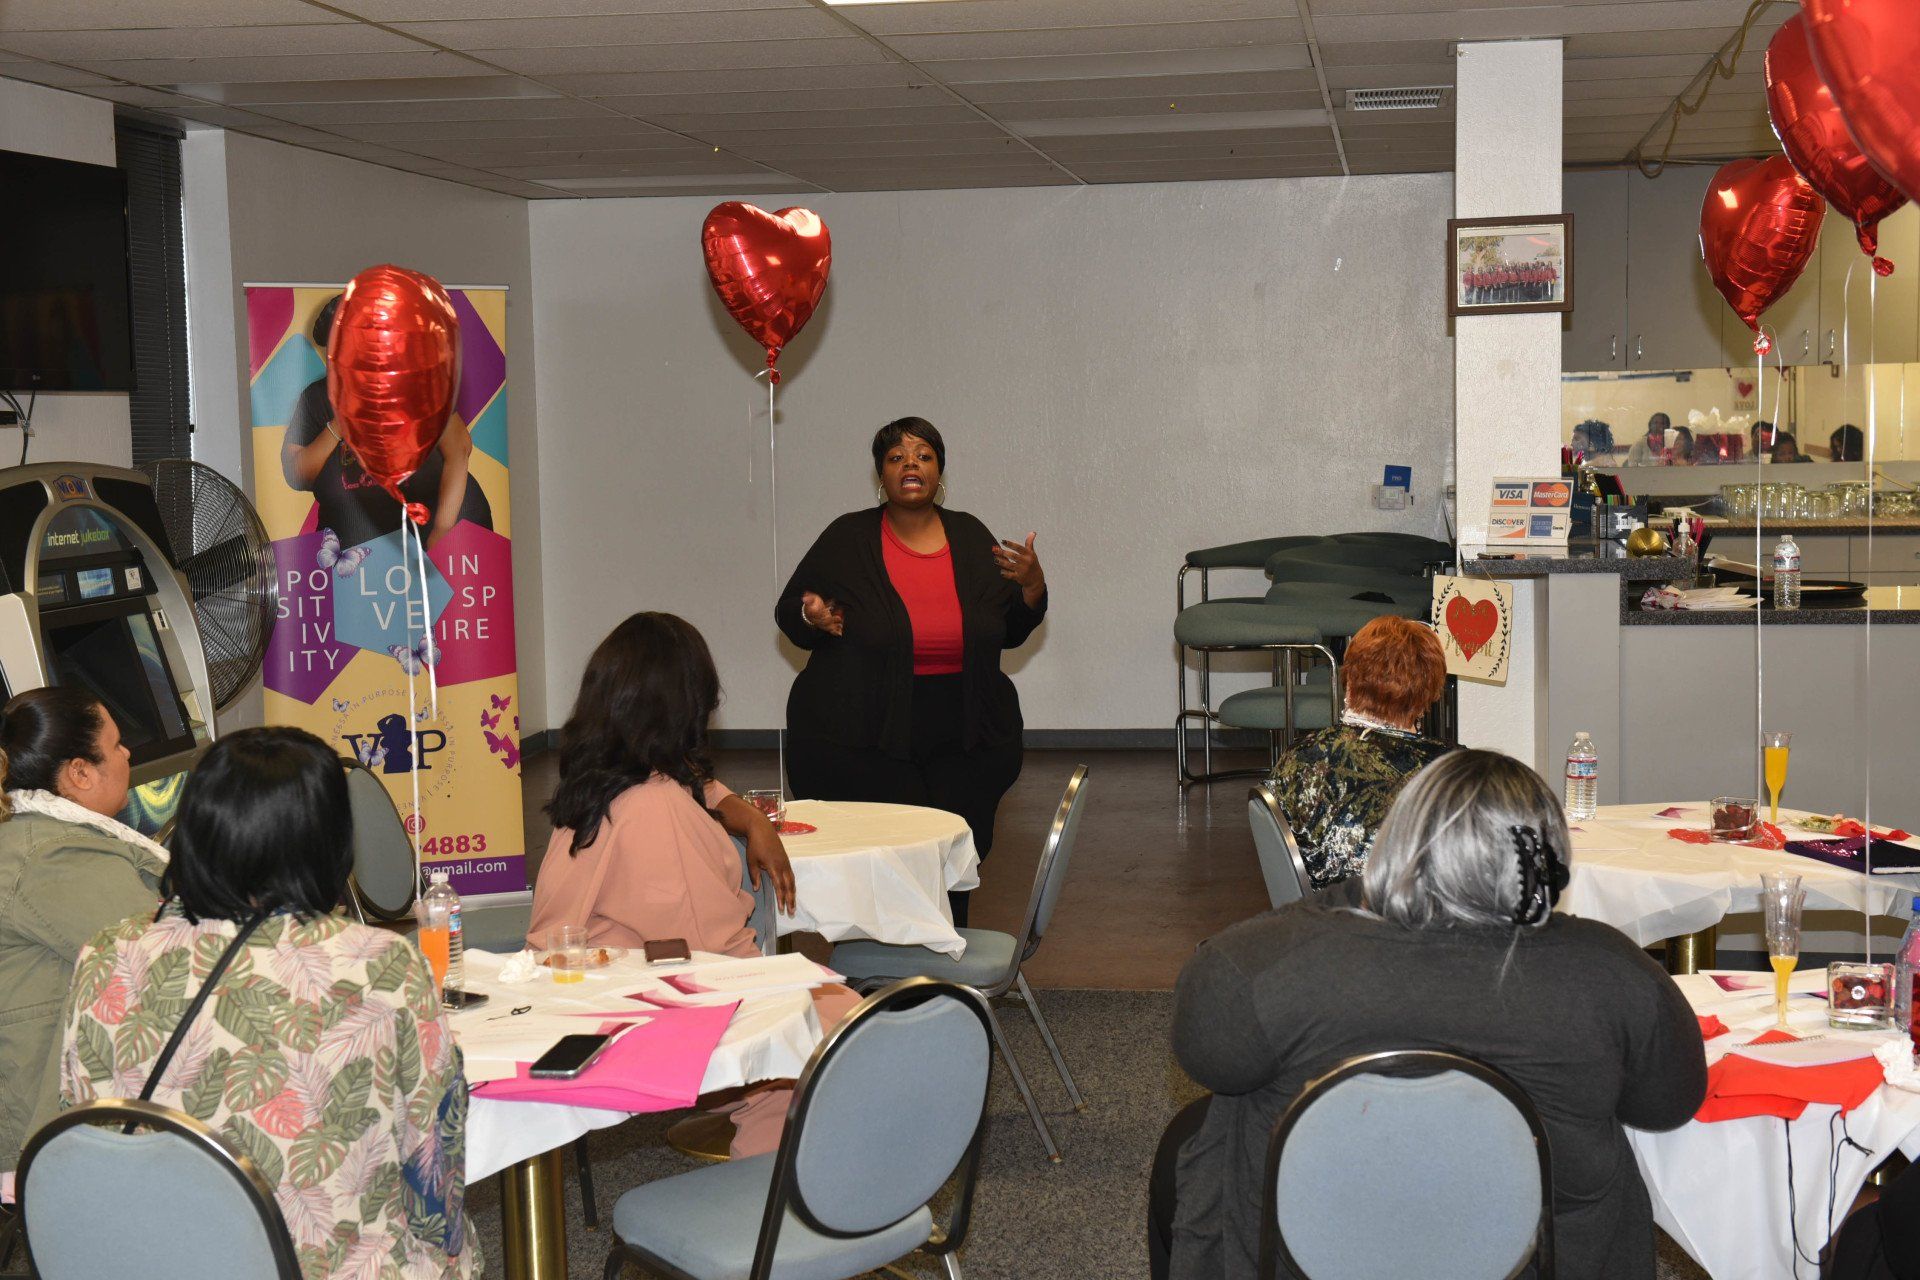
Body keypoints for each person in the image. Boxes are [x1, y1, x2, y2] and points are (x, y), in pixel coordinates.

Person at [1151, 750, 1707, 1280]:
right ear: (1548, 862)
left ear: (1397, 843)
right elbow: (1668, 1104)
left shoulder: (1266, 966)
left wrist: (1360, 890)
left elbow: (1206, 1055)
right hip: (1543, 1261)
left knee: (1201, 1132)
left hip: (1305, 1253)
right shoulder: (1611, 969)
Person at [58, 727, 473, 1279]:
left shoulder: (106, 955)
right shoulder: (380, 964)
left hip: (153, 1262)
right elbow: (433, 1163)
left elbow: (84, 1130)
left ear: (194, 830)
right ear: (328, 838)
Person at [531, 612, 856, 1158]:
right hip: (638, 1010)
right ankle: (769, 1188)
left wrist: (749, 819)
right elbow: (718, 957)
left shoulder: (602, 780)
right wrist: (796, 990)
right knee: (841, 1027)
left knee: (826, 1000)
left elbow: (698, 785)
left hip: (583, 993)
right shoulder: (657, 807)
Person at [778, 417, 1047, 928]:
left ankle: (949, 951)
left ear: (939, 471)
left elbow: (1009, 629)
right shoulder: (848, 537)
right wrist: (811, 616)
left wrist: (1032, 586)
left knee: (953, 851)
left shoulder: (969, 535)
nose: (911, 465)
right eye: (897, 457)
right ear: (881, 474)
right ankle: (883, 957)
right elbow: (792, 610)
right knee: (893, 857)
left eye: (923, 455)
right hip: (869, 728)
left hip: (963, 726)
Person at [0, 687, 165, 1171]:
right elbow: (167, 960)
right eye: (115, 745)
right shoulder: (54, 857)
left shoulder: (37, 834)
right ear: (80, 772)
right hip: (53, 1126)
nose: (127, 754)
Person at [282, 293, 492, 552]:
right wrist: (338, 426)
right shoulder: (316, 398)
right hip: (358, 541)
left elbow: (459, 448)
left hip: (435, 529)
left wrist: (443, 529)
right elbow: (296, 475)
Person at [1266, 616, 1452, 890]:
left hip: (1320, 912)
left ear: (1350, 679)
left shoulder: (1300, 755)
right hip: (1408, 914)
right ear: (1429, 692)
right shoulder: (1451, 770)